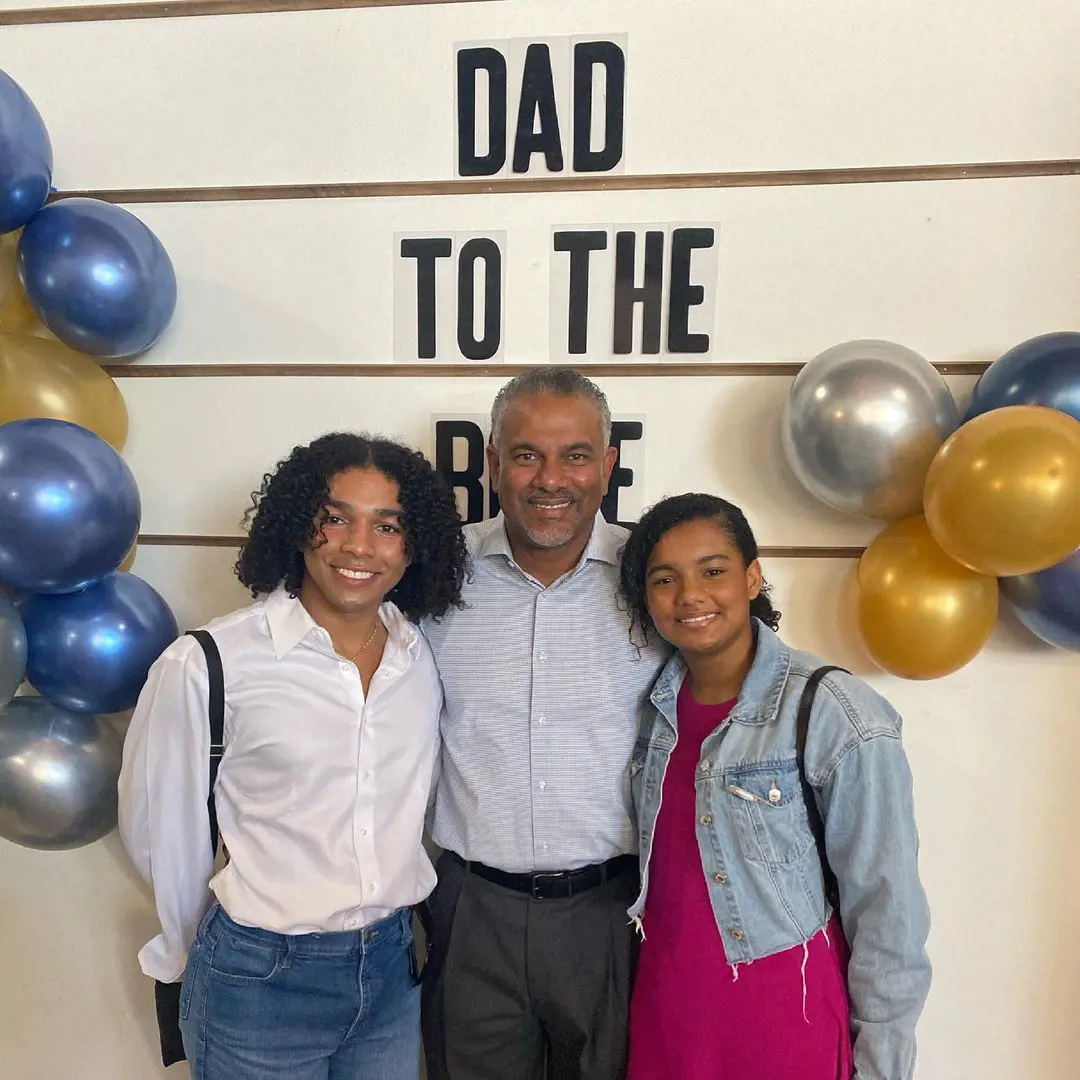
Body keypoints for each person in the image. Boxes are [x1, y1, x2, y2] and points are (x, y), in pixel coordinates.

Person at [118, 432, 467, 1080]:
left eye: (386, 525)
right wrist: (188, 954)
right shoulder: (210, 664)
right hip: (259, 979)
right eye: (334, 517)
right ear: (298, 522)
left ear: (414, 543)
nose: (358, 546)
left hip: (392, 966)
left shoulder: (421, 658)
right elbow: (158, 834)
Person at [617, 492, 932, 1080]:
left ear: (753, 576)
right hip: (668, 1015)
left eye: (713, 571)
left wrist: (883, 1066)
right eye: (665, 579)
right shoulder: (652, 709)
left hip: (785, 1019)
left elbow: (888, 910)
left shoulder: (834, 712)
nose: (691, 595)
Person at [421, 367, 669, 1080]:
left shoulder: (652, 577)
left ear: (608, 465)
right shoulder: (436, 577)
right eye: (527, 454)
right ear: (494, 462)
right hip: (472, 915)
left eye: (576, 455)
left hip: (614, 916)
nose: (550, 479)